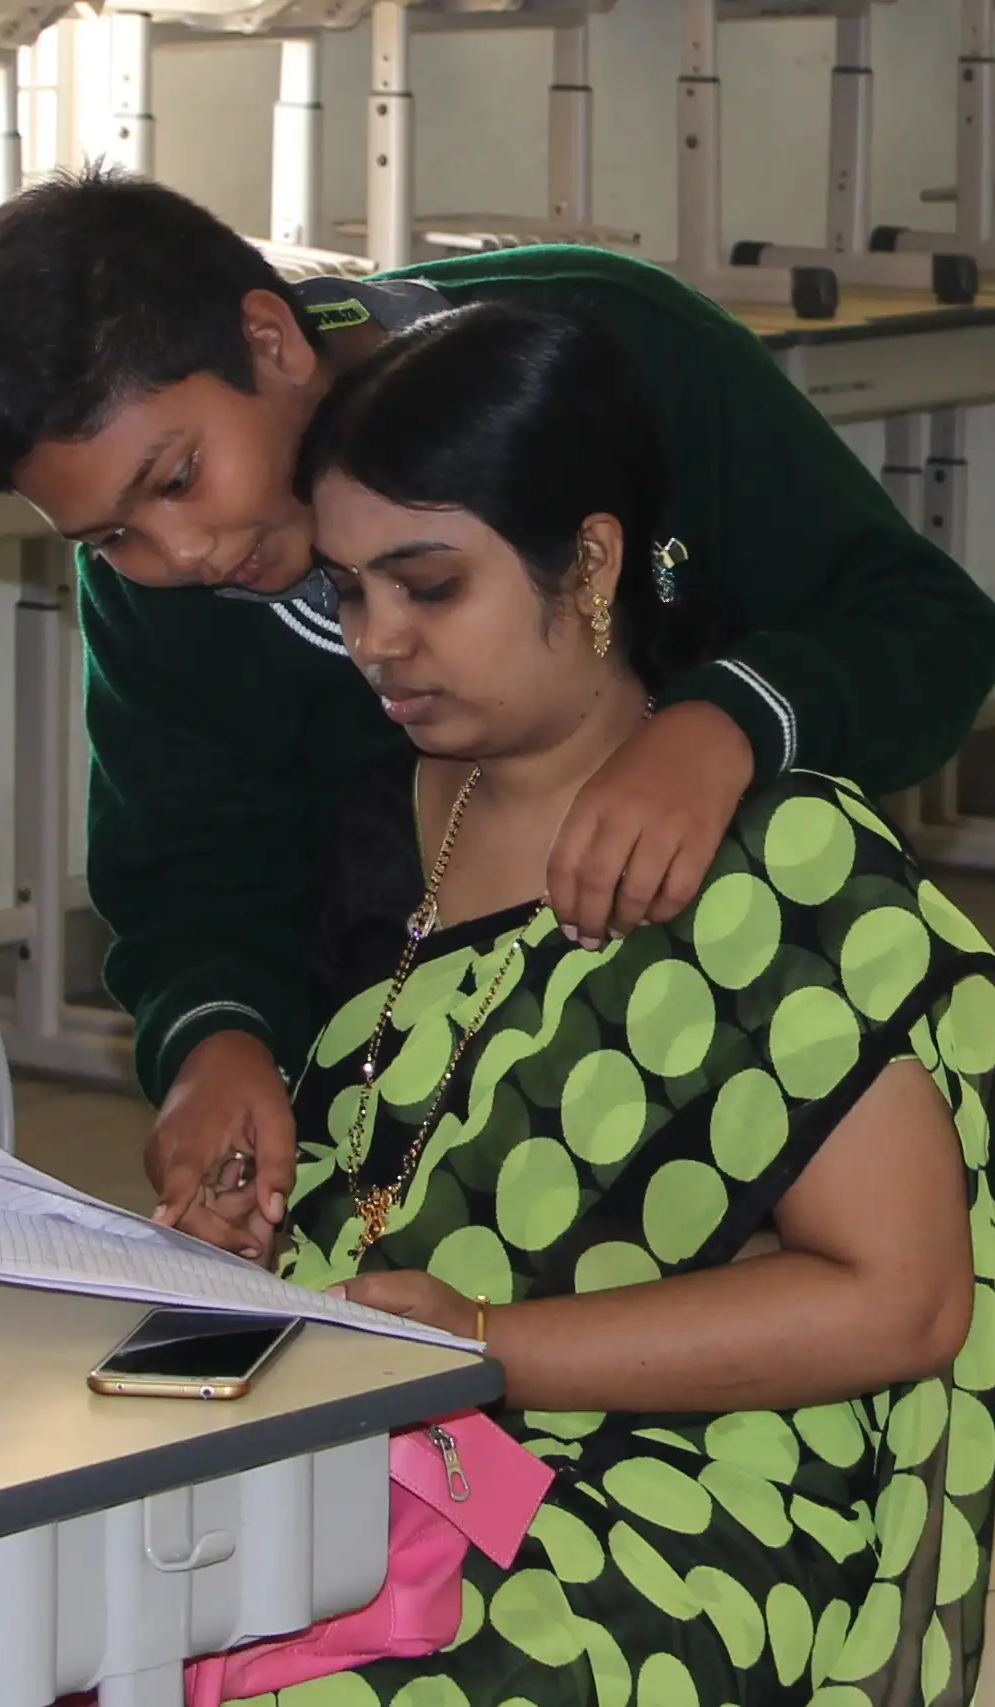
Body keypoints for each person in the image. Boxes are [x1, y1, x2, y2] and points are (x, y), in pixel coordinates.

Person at [0, 165, 995, 1266]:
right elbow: (190, 876)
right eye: (106, 537)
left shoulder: (611, 352)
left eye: (178, 477)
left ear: (271, 339)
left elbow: (924, 630)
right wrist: (217, 1042)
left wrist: (721, 723)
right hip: (433, 1127)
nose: (178, 554)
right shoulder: (161, 593)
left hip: (744, 1002)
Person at [256, 302, 994, 1706]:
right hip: (378, 1427)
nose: (376, 641)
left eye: (427, 586)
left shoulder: (778, 864)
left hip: (690, 1480)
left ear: (589, 561)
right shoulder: (381, 822)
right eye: (349, 590)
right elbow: (383, 1172)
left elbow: (902, 1305)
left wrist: (480, 1345)